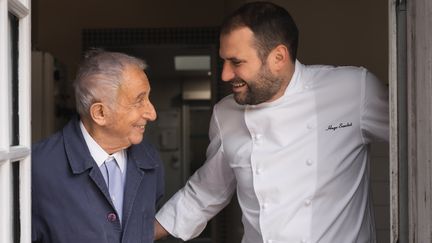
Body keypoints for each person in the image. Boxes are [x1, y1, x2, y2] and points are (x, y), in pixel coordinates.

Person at [154, 1, 388, 243]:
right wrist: (140, 233)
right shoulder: (226, 114)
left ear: (278, 57)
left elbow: (419, 144)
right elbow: (207, 191)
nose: (224, 75)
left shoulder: (353, 90)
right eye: (224, 61)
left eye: (236, 62)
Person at [32, 50, 164, 243]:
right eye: (139, 101)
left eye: (148, 98)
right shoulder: (37, 167)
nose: (152, 114)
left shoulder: (150, 159)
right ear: (100, 113)